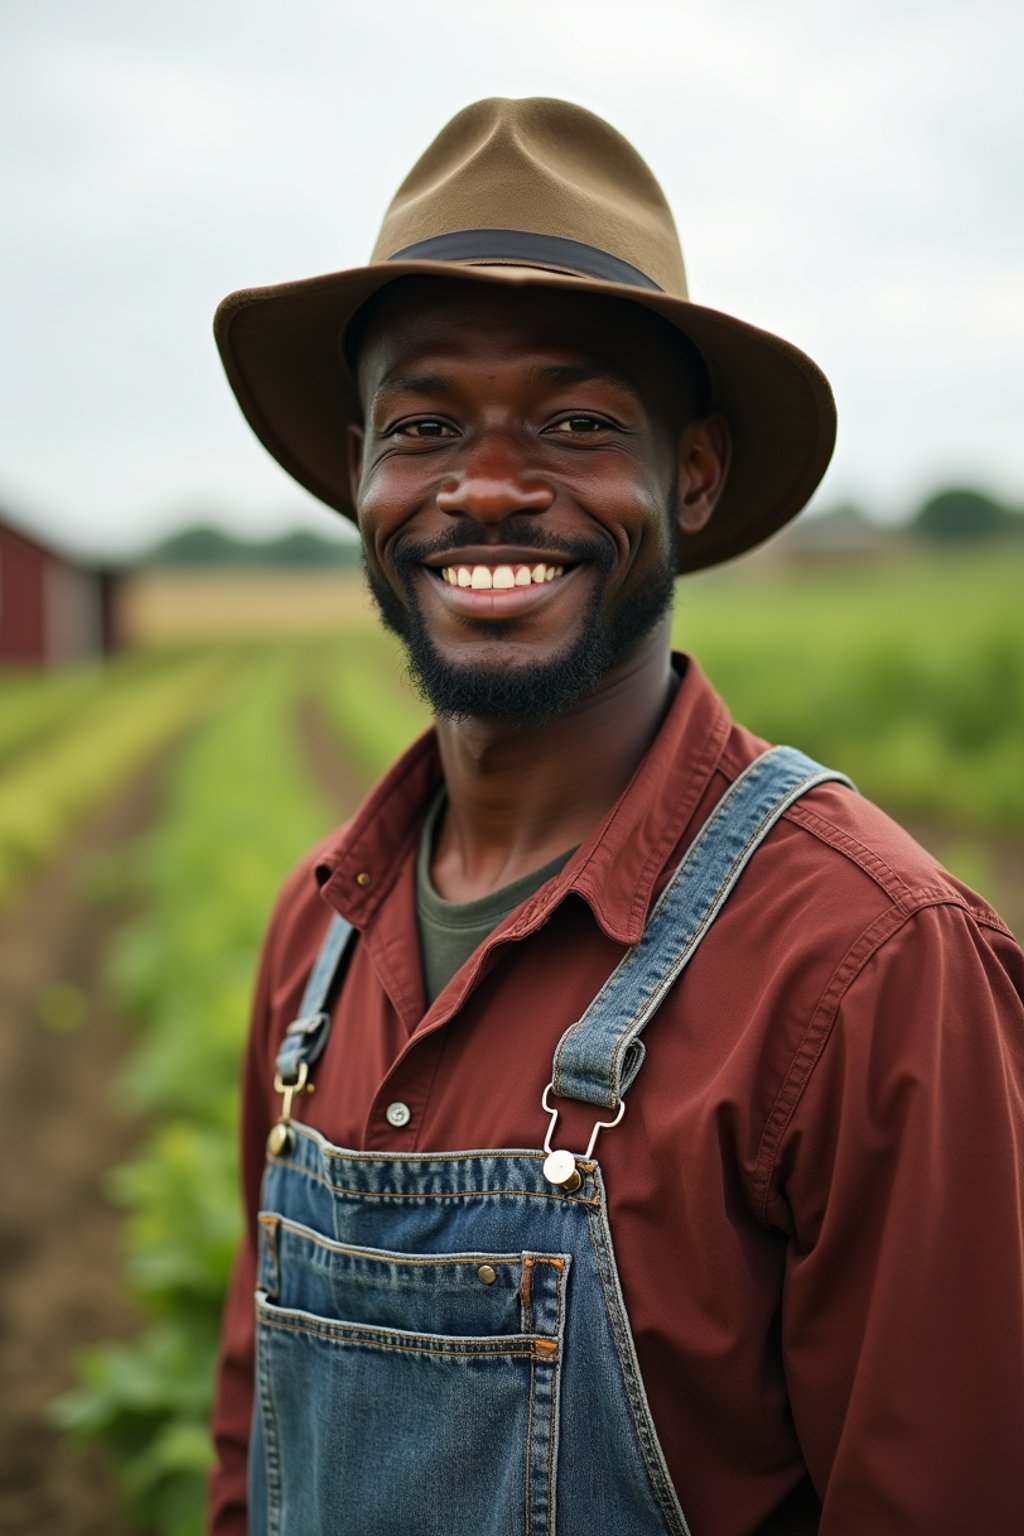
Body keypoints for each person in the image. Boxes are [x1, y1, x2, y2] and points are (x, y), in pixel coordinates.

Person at [208, 99, 1024, 1535]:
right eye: (425, 424)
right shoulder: (316, 932)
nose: (491, 486)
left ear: (691, 475)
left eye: (578, 424)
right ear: (361, 475)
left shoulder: (870, 964)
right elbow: (249, 1442)